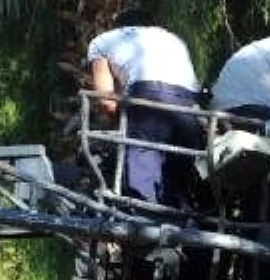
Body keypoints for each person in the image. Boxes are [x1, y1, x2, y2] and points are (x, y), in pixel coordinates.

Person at [85, 24, 203, 208]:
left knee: (143, 165)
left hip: (146, 96)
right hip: (188, 103)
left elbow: (106, 101)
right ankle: (181, 218)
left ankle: (145, 221)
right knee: (179, 173)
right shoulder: (171, 36)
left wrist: (124, 123)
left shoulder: (101, 42)